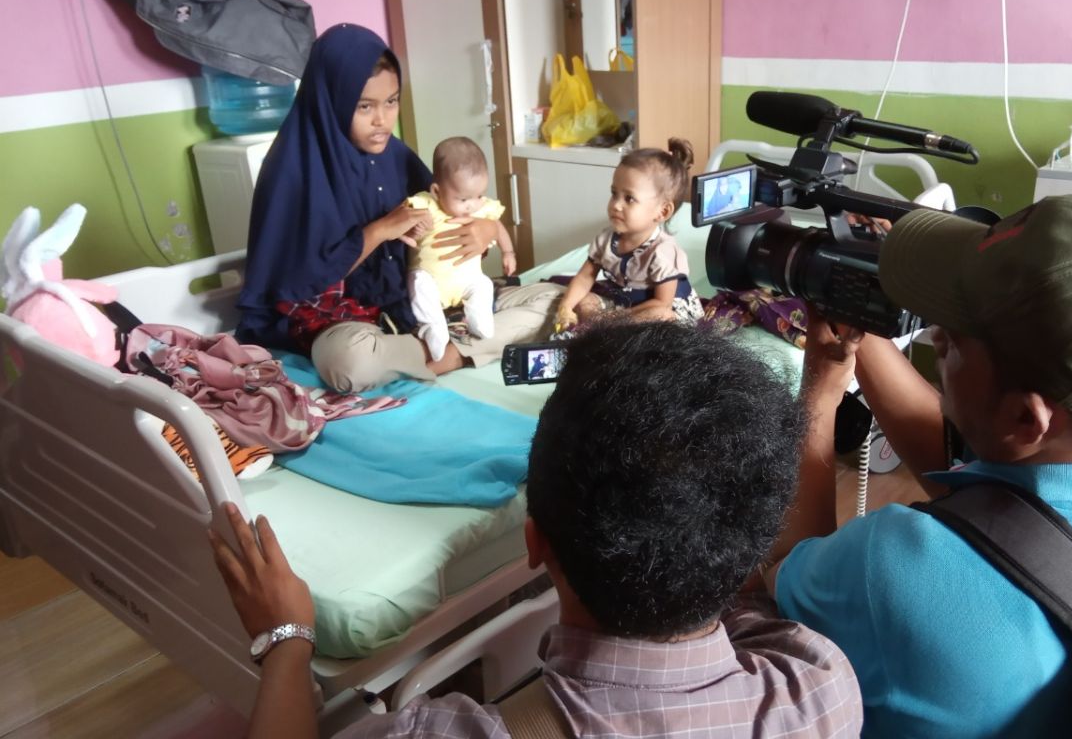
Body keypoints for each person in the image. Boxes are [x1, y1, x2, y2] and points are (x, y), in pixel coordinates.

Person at [210, 321, 864, 738]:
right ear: (750, 551)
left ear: (534, 541)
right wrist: (823, 398)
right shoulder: (820, 688)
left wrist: (287, 643)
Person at [763, 194, 1072, 738]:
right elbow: (1005, 520)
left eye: (953, 341)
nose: (938, 338)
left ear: (1026, 417)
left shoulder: (892, 566)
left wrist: (819, 396)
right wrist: (859, 330)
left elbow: (782, 574)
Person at [236, 23, 560, 391]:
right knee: (350, 363)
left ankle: (437, 350)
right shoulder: (292, 172)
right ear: (331, 102)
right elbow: (298, 284)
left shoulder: (394, 156)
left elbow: (446, 215)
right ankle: (449, 352)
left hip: (417, 300)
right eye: (364, 106)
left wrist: (486, 232)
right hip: (343, 319)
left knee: (553, 298)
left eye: (391, 101)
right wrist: (380, 230)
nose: (383, 120)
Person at [554, 138, 704, 334]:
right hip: (625, 303)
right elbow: (584, 278)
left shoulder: (662, 251)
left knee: (661, 316)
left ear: (662, 212)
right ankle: (609, 330)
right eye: (613, 193)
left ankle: (612, 331)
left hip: (656, 308)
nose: (616, 204)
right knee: (584, 301)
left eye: (629, 198)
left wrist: (616, 318)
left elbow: (662, 304)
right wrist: (565, 307)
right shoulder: (606, 239)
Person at [406, 136, 517, 361]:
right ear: (437, 191)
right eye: (463, 198)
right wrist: (413, 227)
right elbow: (403, 216)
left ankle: (480, 320)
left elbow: (497, 226)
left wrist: (508, 252)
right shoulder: (427, 204)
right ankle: (434, 327)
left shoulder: (481, 209)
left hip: (467, 281)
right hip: (432, 283)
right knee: (418, 282)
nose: (472, 205)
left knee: (483, 285)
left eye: (479, 196)